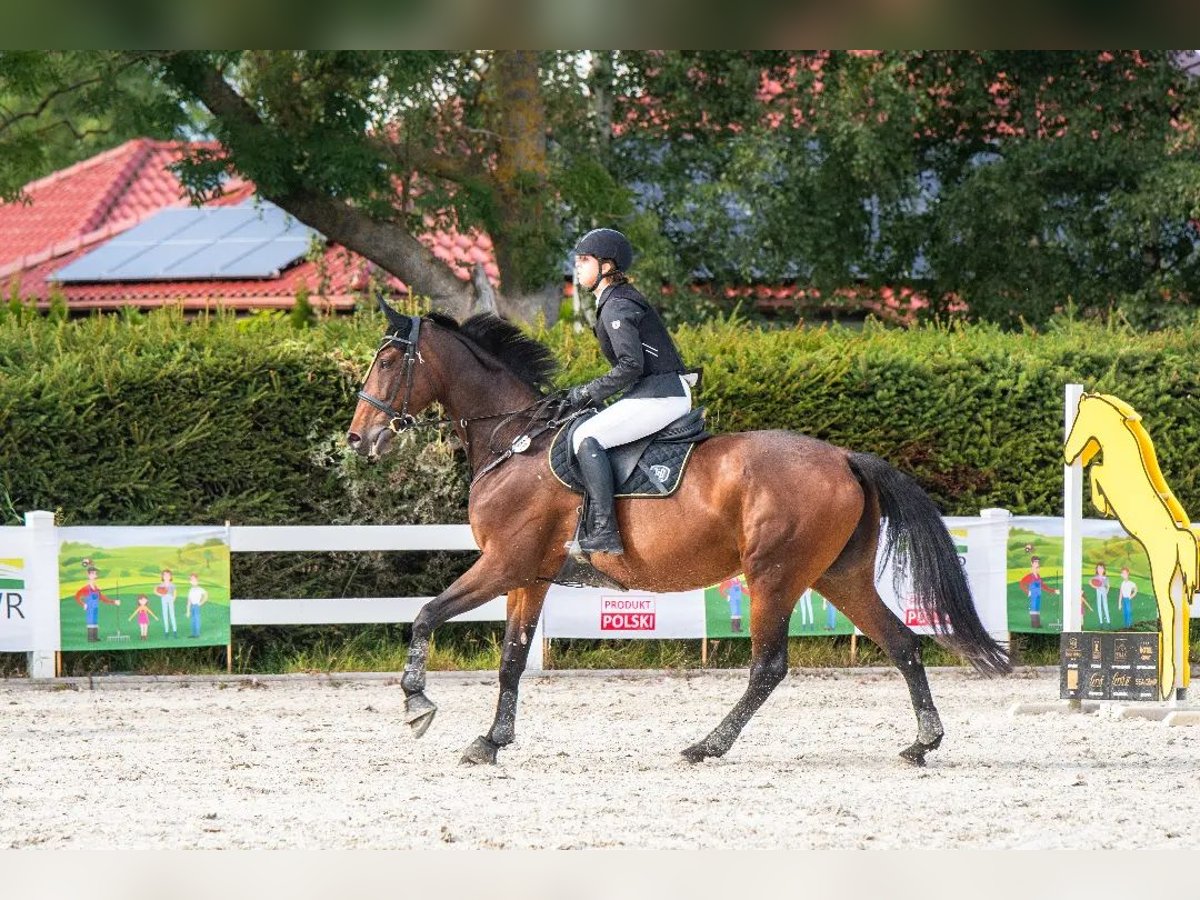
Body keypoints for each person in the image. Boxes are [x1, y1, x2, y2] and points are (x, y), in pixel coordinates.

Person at [565, 228, 694, 555]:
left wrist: (589, 392)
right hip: (656, 391)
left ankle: (606, 530)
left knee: (586, 438)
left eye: (584, 260)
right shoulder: (615, 300)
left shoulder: (616, 305)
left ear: (606, 266)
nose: (577, 266)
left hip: (661, 394)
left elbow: (630, 364)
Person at [73, 566, 120, 642]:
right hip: (90, 608)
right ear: (88, 575)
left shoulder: (97, 588)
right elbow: (77, 596)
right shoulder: (86, 588)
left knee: (94, 622)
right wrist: (83, 604)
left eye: (95, 574)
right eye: (92, 574)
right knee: (90, 621)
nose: (95, 576)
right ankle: (91, 637)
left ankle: (95, 637)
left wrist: (113, 602)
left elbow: (102, 598)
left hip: (95, 608)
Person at [1018, 556, 1058, 629]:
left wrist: (1053, 591)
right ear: (1032, 564)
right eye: (1035, 562)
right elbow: (1022, 583)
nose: (1037, 564)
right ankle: (1034, 624)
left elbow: (1043, 586)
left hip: (1038, 595)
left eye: (1038, 562)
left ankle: (1037, 624)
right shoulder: (1030, 576)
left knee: (1037, 609)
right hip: (1033, 595)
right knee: (1033, 609)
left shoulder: (1038, 576)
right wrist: (1028, 592)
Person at [155, 569, 178, 637]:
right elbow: (156, 591)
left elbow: (175, 593)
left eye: (168, 575)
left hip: (170, 598)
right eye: (165, 575)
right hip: (164, 599)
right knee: (165, 614)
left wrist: (174, 599)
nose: (167, 576)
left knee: (172, 614)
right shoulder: (161, 585)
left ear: (171, 577)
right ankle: (166, 631)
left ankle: (175, 631)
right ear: (162, 576)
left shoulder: (172, 585)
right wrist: (161, 594)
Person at [186, 573, 208, 638]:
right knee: (193, 620)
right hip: (192, 606)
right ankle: (193, 633)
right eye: (192, 580)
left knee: (197, 619)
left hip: (196, 606)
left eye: (195, 580)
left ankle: (197, 633)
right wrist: (188, 611)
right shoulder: (190, 590)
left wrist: (201, 603)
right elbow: (189, 600)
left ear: (198, 581)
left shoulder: (200, 589)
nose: (194, 582)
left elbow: (206, 596)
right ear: (190, 582)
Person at [1090, 563, 1111, 627]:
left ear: (1104, 569)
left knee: (1105, 605)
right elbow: (1090, 582)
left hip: (1104, 590)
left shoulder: (1106, 578)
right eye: (1099, 568)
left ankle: (1108, 621)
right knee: (1099, 605)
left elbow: (1108, 586)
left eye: (1101, 568)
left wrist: (1107, 591)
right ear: (1097, 569)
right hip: (1098, 590)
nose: (1100, 570)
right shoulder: (1095, 577)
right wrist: (1095, 587)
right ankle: (1101, 621)